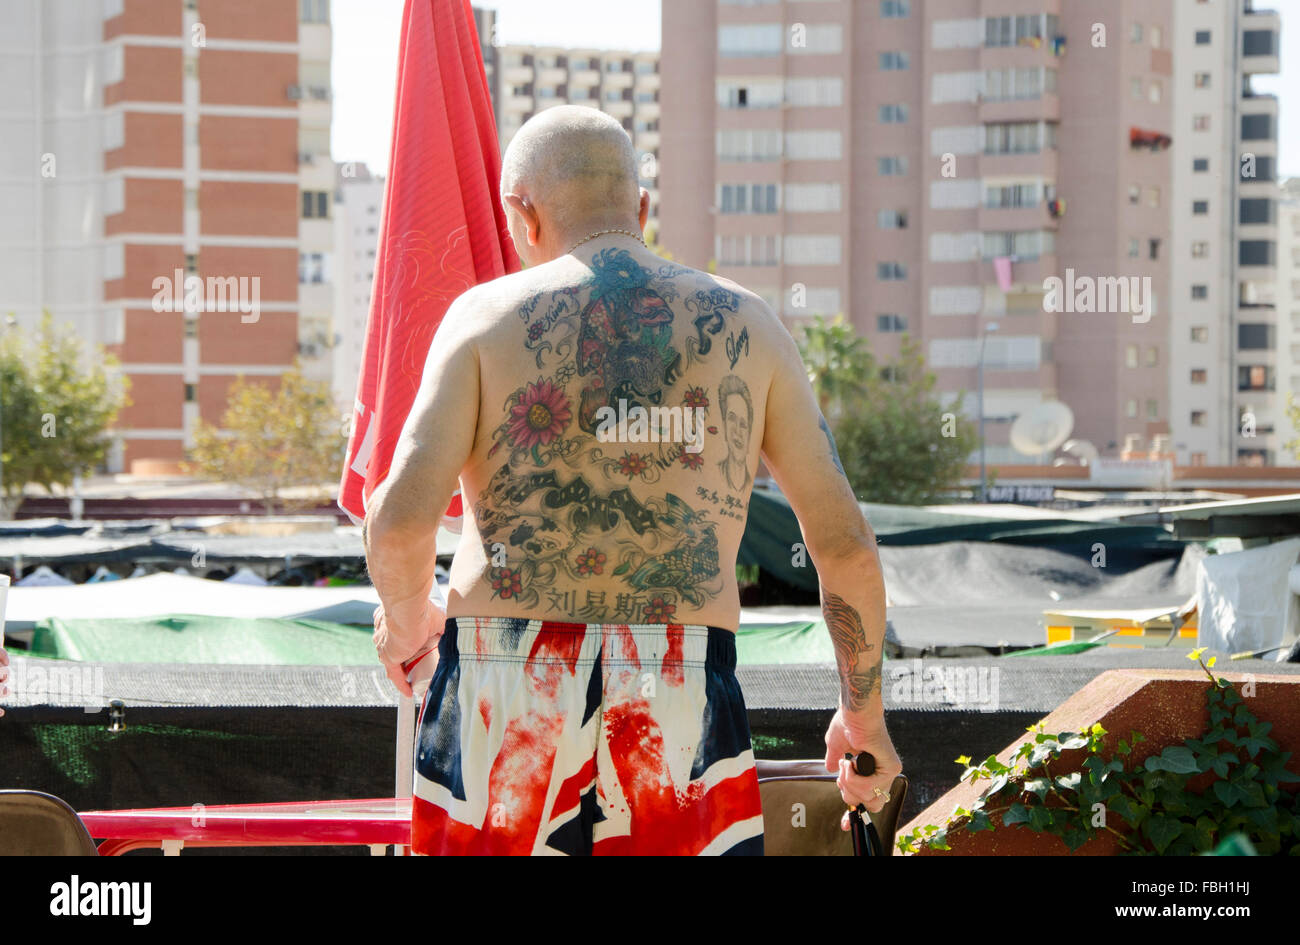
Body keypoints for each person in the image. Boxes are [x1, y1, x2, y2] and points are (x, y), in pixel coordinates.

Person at [364, 105, 901, 856]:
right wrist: (863, 714)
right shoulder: (748, 325)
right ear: (640, 208)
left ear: (520, 214)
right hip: (677, 690)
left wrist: (407, 617)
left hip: (504, 691)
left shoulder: (483, 320)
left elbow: (398, 520)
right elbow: (843, 543)